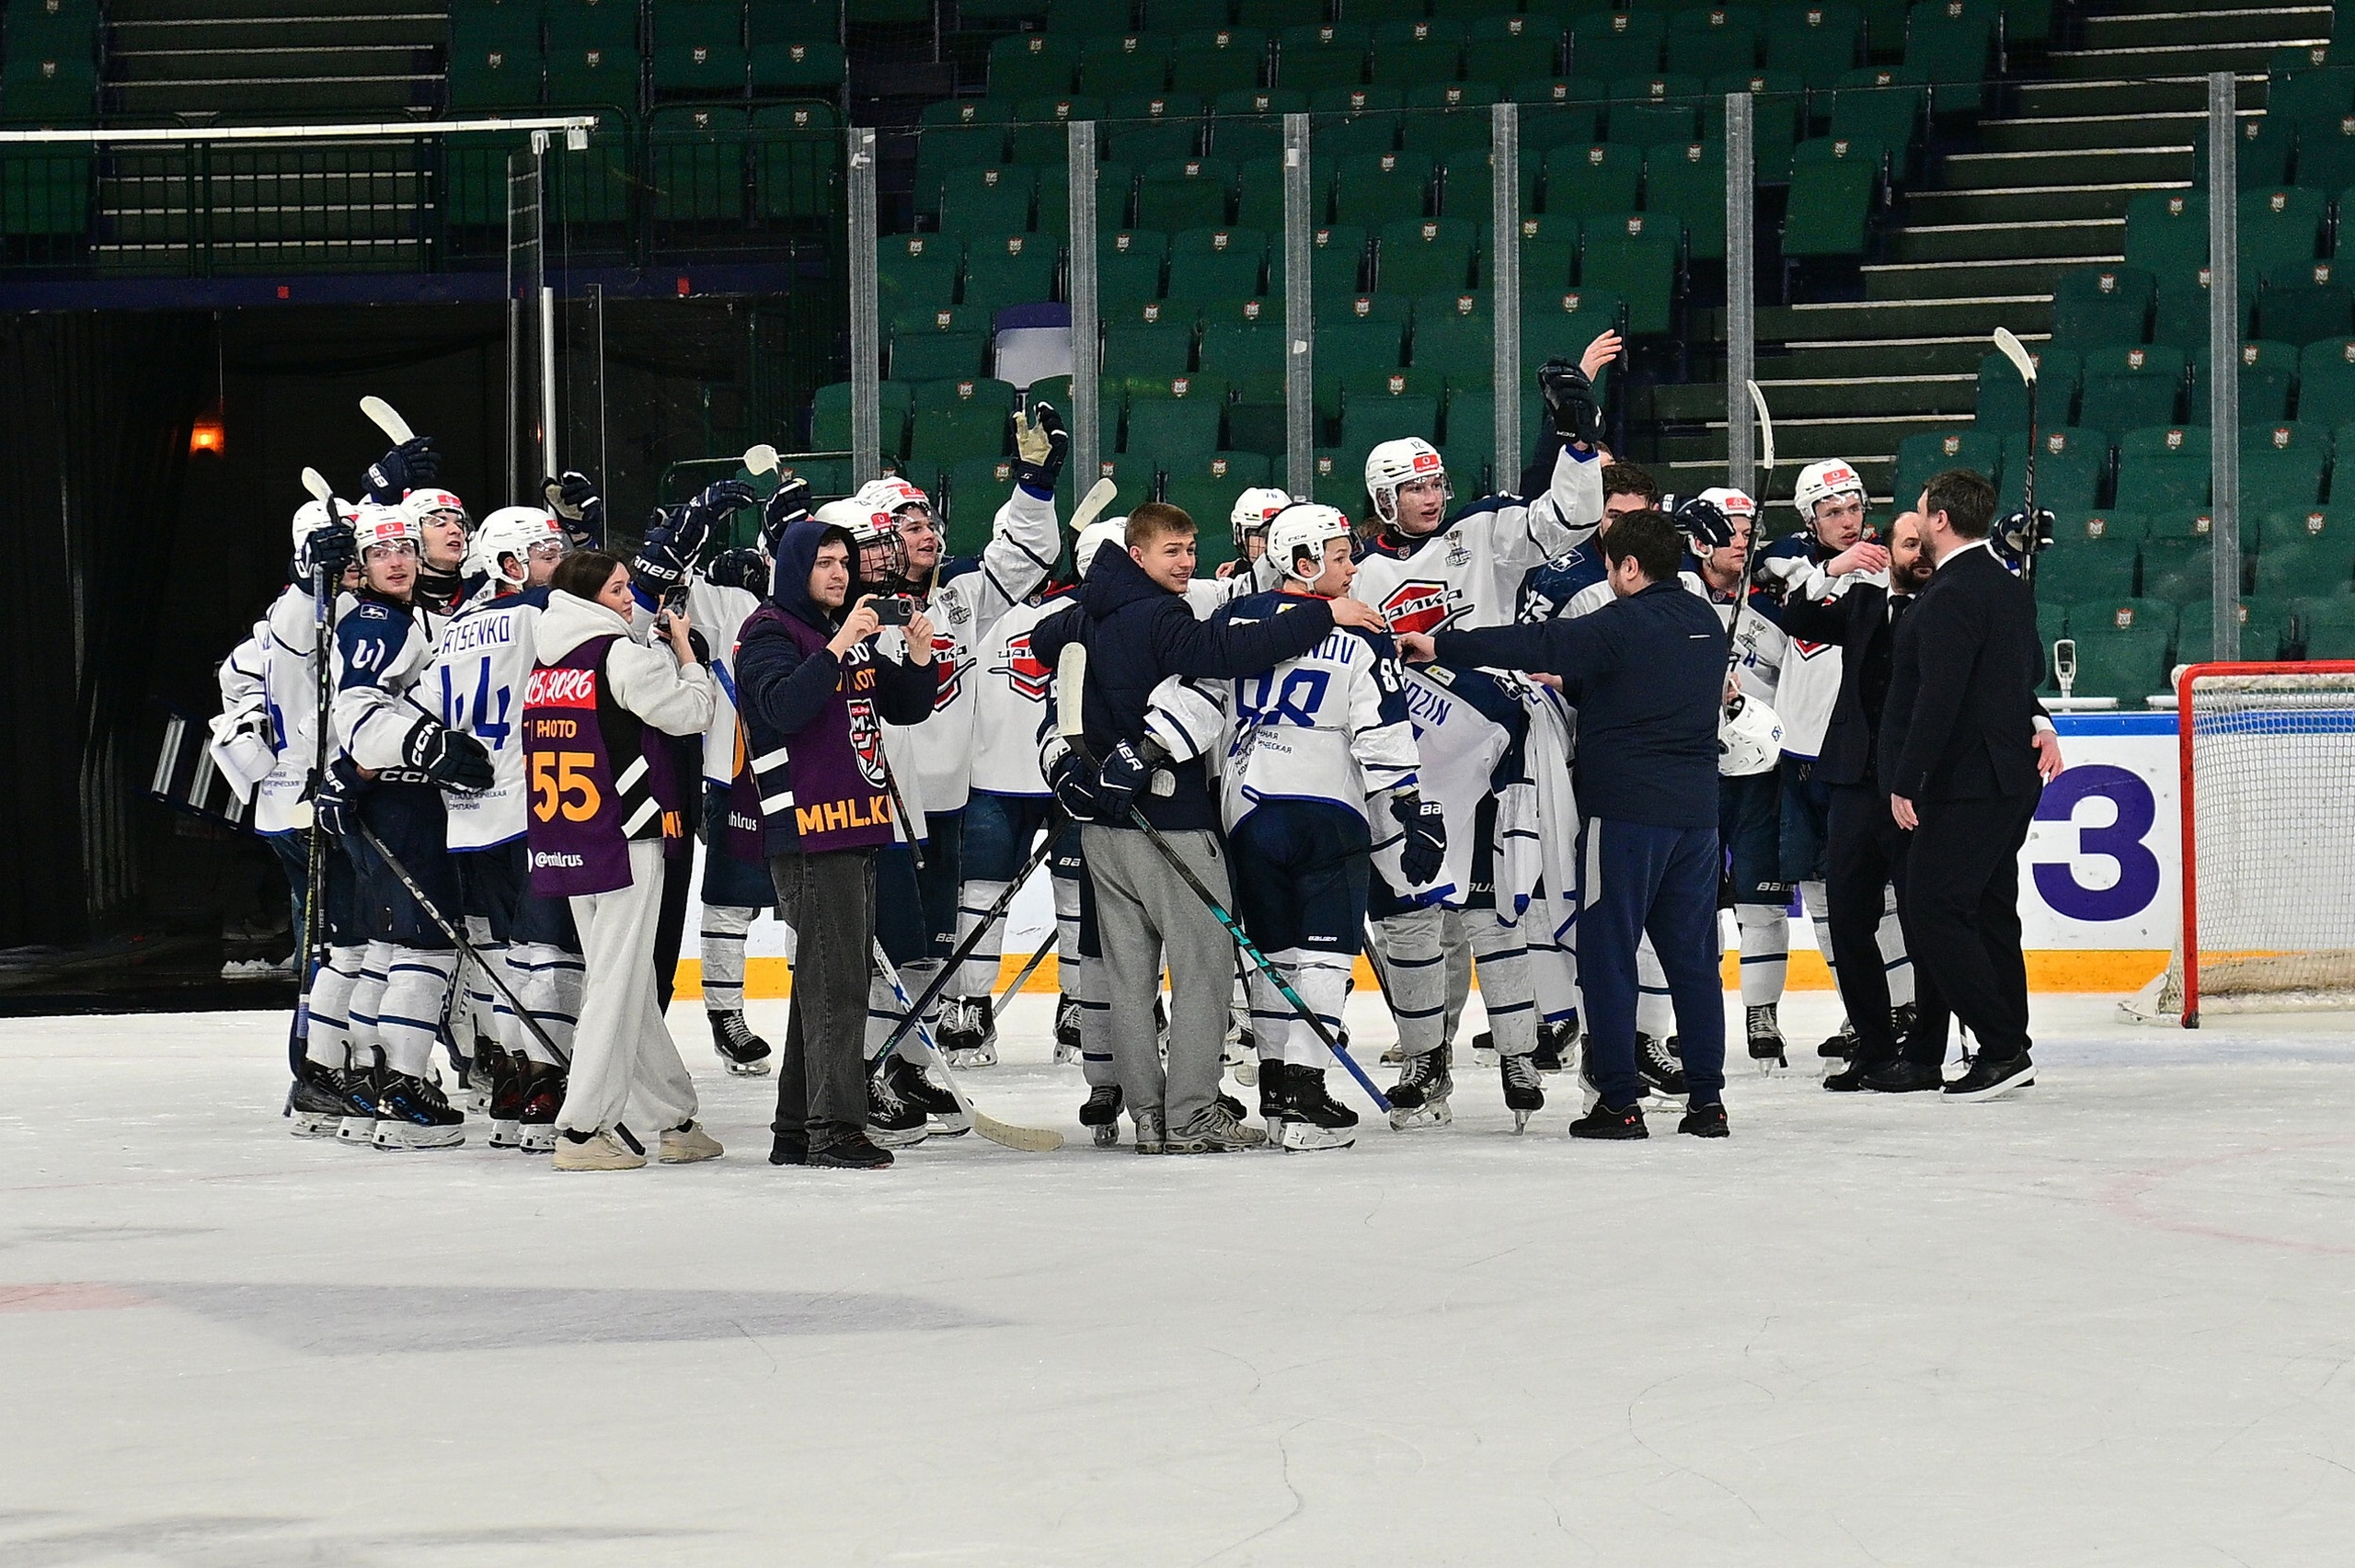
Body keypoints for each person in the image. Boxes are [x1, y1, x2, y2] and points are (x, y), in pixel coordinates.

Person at [1031, 501, 1386, 1154]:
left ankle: (1150, 1115)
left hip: (1102, 830)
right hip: (1169, 820)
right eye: (1173, 550)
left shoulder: (1088, 613)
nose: (1188, 561)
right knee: (1205, 970)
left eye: (1192, 547)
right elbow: (1224, 651)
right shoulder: (1161, 615)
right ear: (1136, 556)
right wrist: (1320, 612)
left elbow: (1040, 644)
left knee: (1130, 979)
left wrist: (1067, 763)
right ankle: (1192, 1112)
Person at [1398, 508, 1732, 1139]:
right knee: (1692, 962)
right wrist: (1578, 683)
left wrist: (1440, 644)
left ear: (1629, 566)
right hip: (1697, 818)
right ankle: (1708, 1102)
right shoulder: (1704, 622)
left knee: (1607, 958)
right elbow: (1647, 686)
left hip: (1627, 816)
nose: (1609, 577)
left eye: (1611, 567)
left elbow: (1532, 644)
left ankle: (1617, 1102)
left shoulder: (1621, 622)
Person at [1211, 504, 1436, 1149]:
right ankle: (1306, 1091)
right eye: (1340, 556)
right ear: (1303, 565)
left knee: (1273, 954)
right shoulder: (1362, 632)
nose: (1354, 563)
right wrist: (1414, 808)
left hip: (1246, 804)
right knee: (1326, 954)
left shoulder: (1231, 620)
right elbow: (1385, 735)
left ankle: (1278, 1093)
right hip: (1326, 801)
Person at [735, 516, 942, 1170]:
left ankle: (797, 1126)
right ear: (796, 568)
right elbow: (778, 708)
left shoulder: (836, 633)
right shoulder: (770, 631)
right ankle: (834, 1126)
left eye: (843, 563)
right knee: (839, 983)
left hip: (855, 822)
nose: (837, 573)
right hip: (807, 828)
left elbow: (904, 707)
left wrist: (916, 654)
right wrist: (839, 645)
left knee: (822, 982)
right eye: (824, 562)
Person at [871, 406, 1063, 1070]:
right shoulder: (852, 605)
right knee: (886, 944)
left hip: (948, 796)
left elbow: (1027, 557)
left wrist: (1033, 488)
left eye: (929, 522)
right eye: (910, 525)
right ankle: (872, 1065)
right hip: (881, 806)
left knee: (929, 943)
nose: (927, 533)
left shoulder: (959, 595)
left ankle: (914, 1064)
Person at [525, 550, 722, 1171]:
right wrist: (690, 659)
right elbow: (693, 713)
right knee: (615, 982)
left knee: (627, 981)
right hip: (625, 835)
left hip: (565, 835)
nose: (627, 600)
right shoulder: (617, 654)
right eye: (616, 590)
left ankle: (676, 1117)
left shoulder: (546, 660)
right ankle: (583, 1128)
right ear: (590, 598)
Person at [1879, 469, 2051, 1101]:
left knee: (1932, 905)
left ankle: (2003, 1045)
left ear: (1942, 521)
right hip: (2004, 775)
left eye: (1922, 511)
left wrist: (1908, 777)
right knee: (1988, 908)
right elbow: (2018, 673)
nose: (1917, 519)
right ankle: (2011, 1040)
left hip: (1970, 779)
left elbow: (1940, 696)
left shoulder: (1952, 592)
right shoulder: (2006, 585)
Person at [328, 498, 491, 1150]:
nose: (395, 561)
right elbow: (358, 713)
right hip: (403, 802)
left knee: (392, 950)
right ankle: (403, 1089)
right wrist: (427, 744)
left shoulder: (394, 616)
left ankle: (371, 1085)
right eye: (379, 553)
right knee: (426, 948)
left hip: (385, 799)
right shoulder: (379, 621)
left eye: (403, 550)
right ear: (361, 565)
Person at [1752, 459, 1918, 1064]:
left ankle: (1904, 1002)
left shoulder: (1886, 572)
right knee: (1824, 897)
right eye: (1833, 512)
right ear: (1811, 518)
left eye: (1854, 508)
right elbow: (1779, 574)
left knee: (1882, 895)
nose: (1849, 521)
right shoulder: (1796, 565)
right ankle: (1861, 1006)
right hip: (1798, 757)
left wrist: (1844, 565)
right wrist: (1829, 567)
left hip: (1856, 761)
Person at [432, 504, 584, 1151]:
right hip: (534, 807)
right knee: (550, 949)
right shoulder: (541, 611)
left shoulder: (455, 627)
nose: (561, 564)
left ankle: (514, 1078)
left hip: (471, 817)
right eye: (547, 552)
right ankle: (547, 1078)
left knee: (509, 954)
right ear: (510, 565)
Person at [1679, 489, 1798, 1069]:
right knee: (1690, 905)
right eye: (1732, 530)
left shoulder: (1779, 599)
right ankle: (1684, 1017)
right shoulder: (1675, 596)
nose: (1745, 539)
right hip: (1693, 771)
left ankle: (1761, 1013)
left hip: (1760, 773)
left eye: (1751, 529)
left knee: (1761, 901)